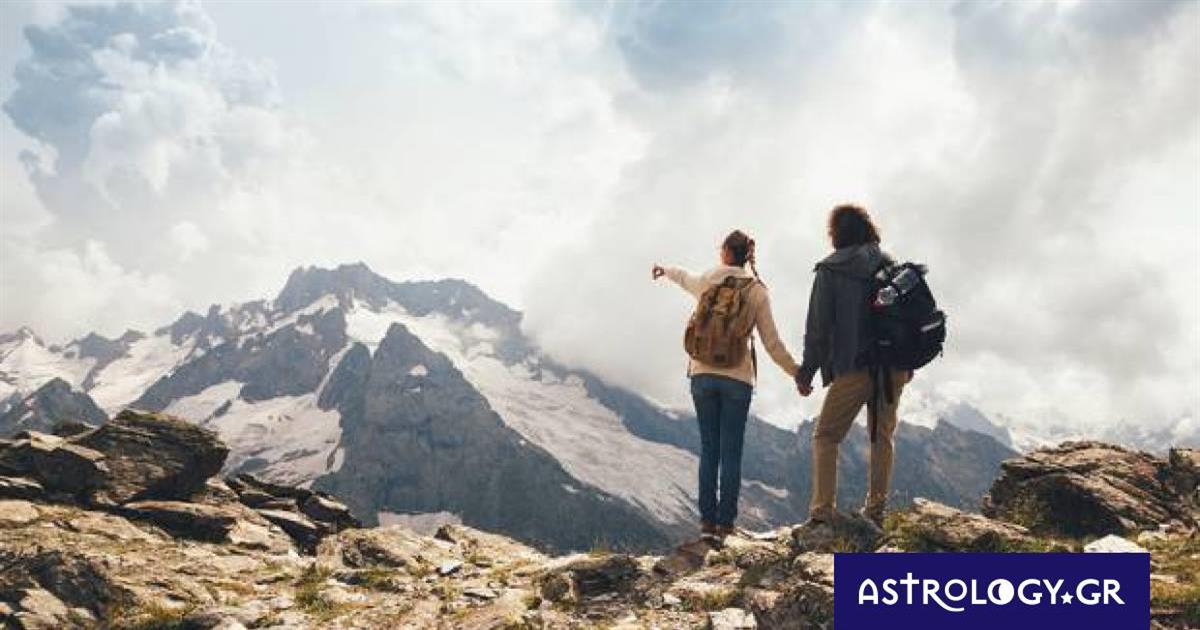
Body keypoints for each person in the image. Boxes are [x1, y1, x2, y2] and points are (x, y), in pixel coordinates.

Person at [652, 230, 801, 538]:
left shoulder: (708, 279)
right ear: (747, 256)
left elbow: (683, 276)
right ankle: (726, 525)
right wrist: (797, 373)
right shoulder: (757, 291)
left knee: (709, 449)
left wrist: (664, 270)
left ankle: (706, 523)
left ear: (724, 252)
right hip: (737, 378)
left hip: (702, 374)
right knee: (731, 452)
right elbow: (772, 343)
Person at [795, 204, 910, 527]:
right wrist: (908, 361)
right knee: (882, 435)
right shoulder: (891, 264)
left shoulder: (830, 270)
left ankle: (822, 511)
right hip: (894, 366)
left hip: (855, 365)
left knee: (827, 436)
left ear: (837, 233)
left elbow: (818, 327)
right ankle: (876, 510)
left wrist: (807, 371)